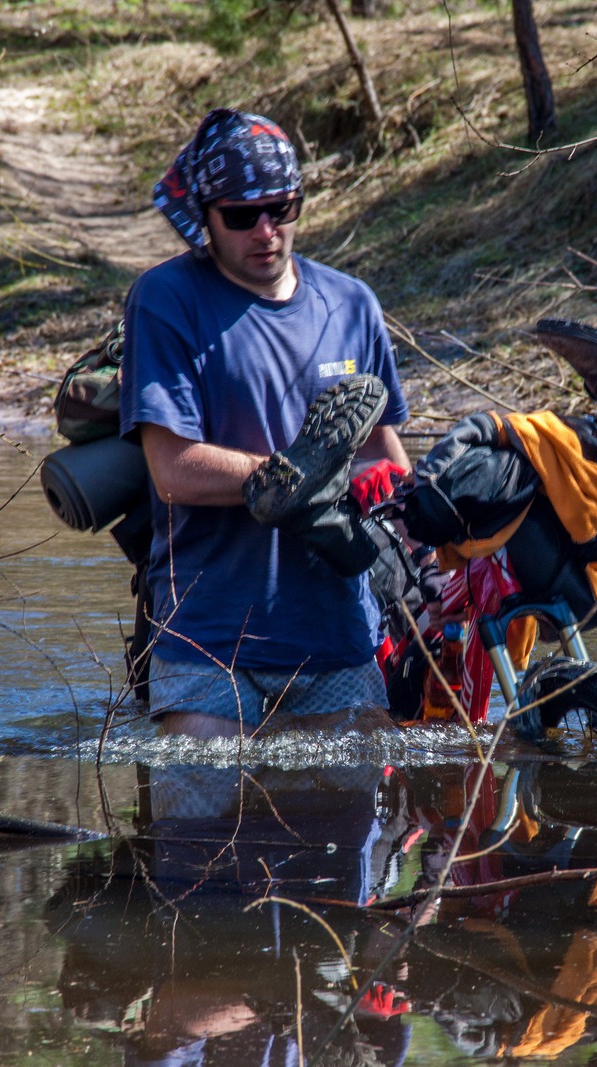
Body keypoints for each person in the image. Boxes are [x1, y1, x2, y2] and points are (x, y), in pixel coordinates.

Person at [120, 108, 411, 739]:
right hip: (207, 642)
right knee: (201, 802)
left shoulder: (352, 304)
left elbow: (387, 462)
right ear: (205, 216)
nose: (266, 230)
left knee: (354, 796)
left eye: (282, 209)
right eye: (241, 216)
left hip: (340, 636)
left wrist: (430, 567)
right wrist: (289, 478)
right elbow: (173, 470)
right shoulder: (166, 300)